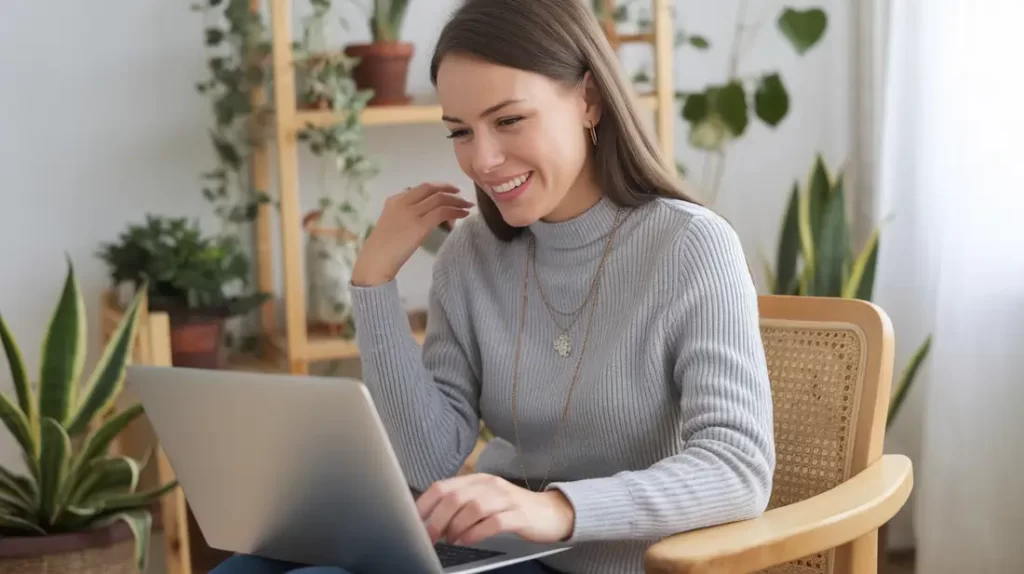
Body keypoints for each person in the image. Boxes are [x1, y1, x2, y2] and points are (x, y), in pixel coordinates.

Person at [213, 0, 775, 572]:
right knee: (253, 564)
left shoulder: (691, 247)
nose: (481, 159)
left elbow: (738, 468)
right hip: (493, 554)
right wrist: (373, 283)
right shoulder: (470, 253)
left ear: (589, 99)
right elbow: (428, 463)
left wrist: (558, 509)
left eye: (508, 120)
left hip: (611, 564)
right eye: (460, 130)